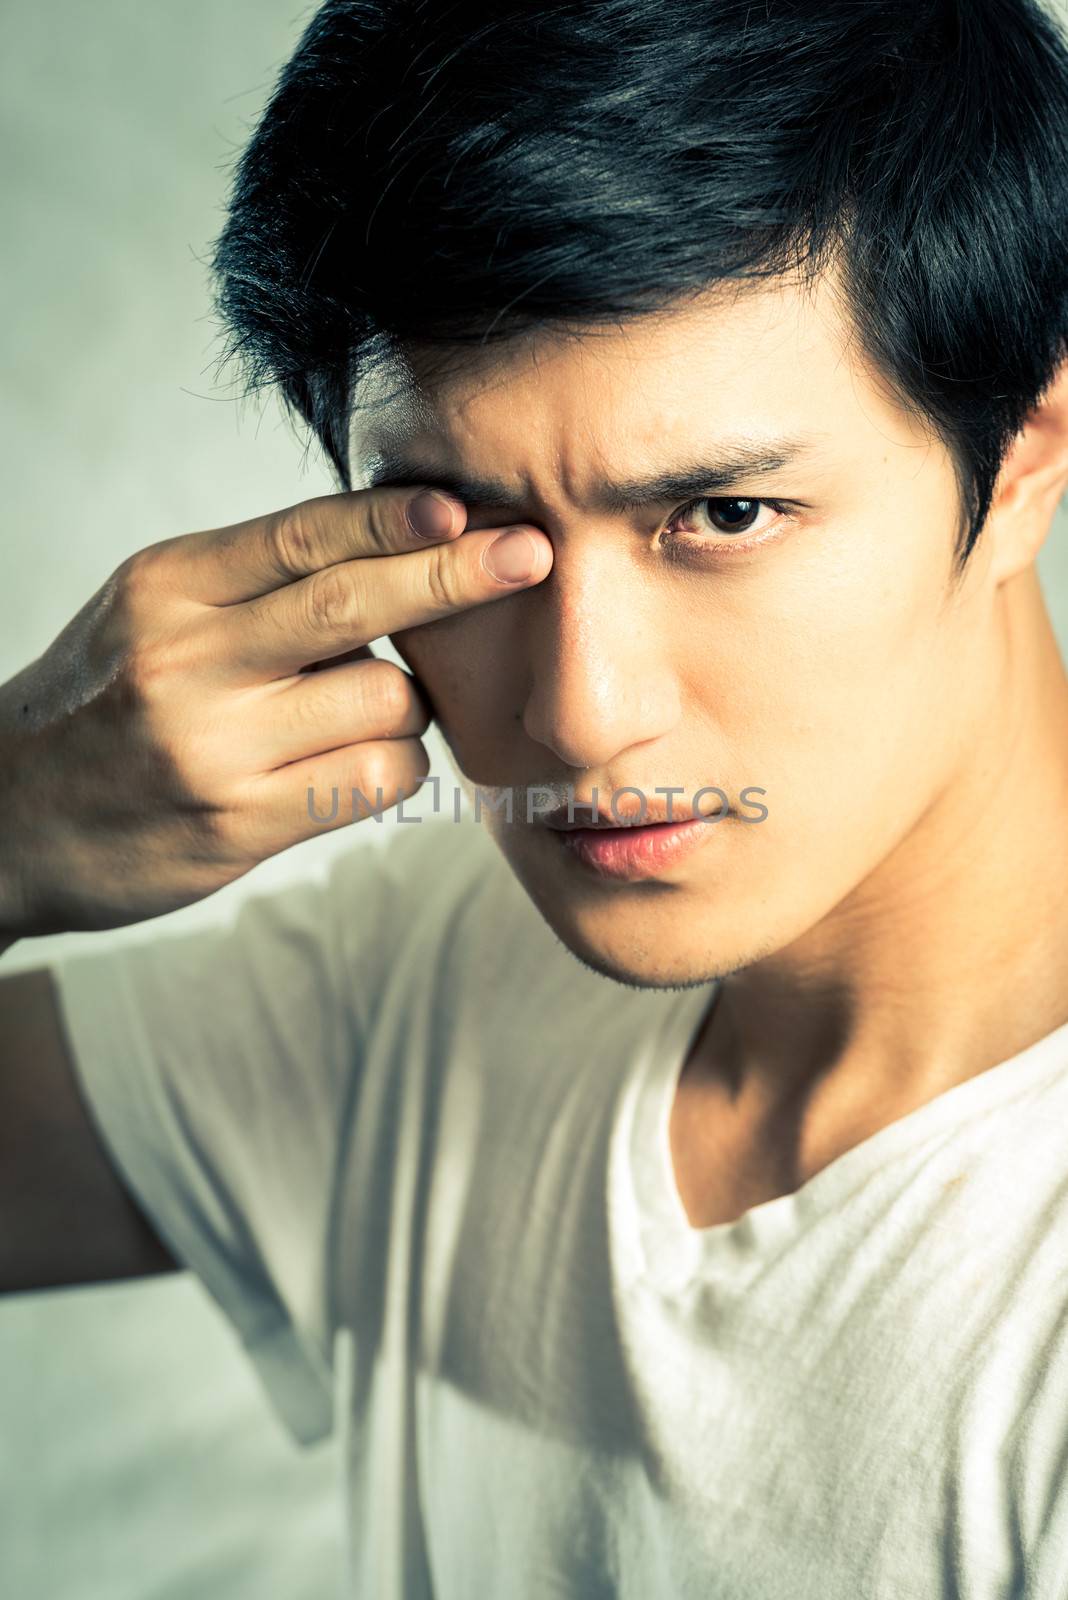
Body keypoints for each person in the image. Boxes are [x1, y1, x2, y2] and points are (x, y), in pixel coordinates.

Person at [3, 0, 1068, 1592]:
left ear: (1029, 457)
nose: (577, 711)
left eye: (723, 511)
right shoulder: (431, 972)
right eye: (458, 533)